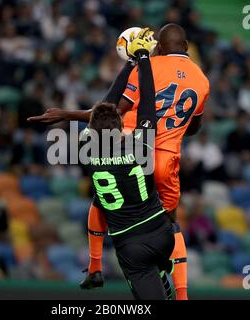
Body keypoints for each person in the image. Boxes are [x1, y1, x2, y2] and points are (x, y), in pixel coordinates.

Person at [28, 24, 210, 300]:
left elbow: (111, 107)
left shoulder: (94, 146)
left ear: (159, 47)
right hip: (165, 160)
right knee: (171, 224)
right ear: (186, 46)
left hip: (128, 165)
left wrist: (66, 113)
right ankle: (182, 293)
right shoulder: (202, 80)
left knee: (100, 201)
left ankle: (96, 265)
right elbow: (190, 124)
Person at [80, 29, 174, 299]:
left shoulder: (86, 148)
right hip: (161, 231)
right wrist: (141, 59)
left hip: (130, 244)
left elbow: (105, 105)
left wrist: (132, 63)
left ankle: (154, 275)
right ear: (121, 124)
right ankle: (160, 271)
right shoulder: (139, 143)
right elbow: (147, 98)